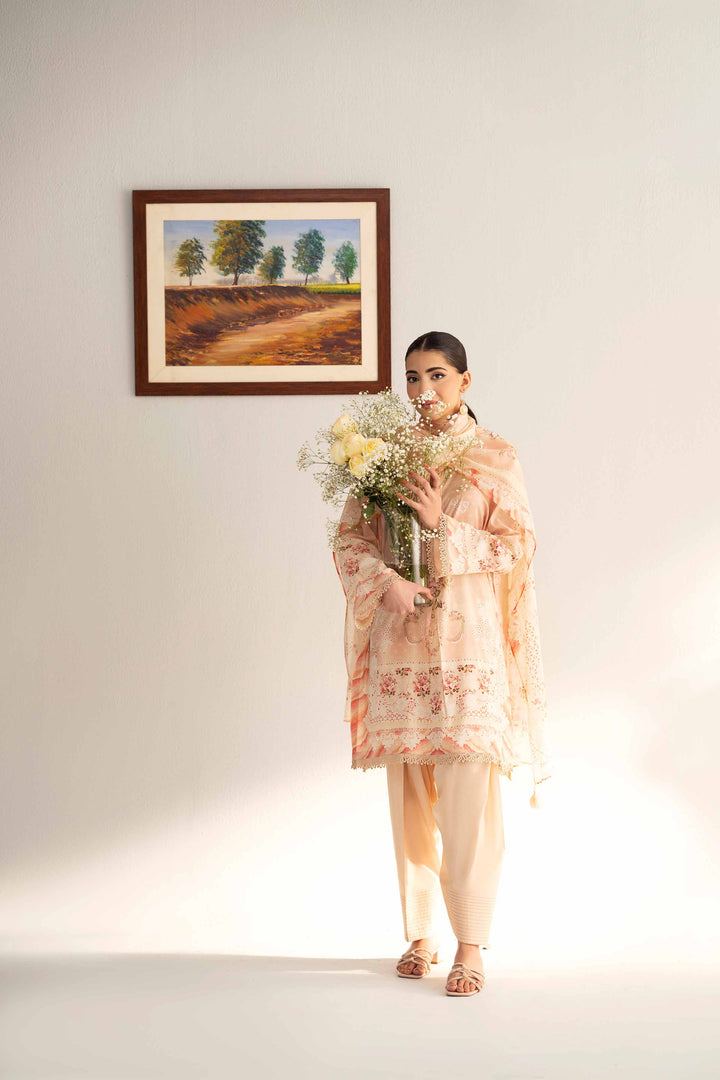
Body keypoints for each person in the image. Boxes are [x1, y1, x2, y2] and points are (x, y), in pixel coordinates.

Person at [332, 331, 552, 998]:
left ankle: (471, 945)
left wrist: (440, 527)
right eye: (412, 377)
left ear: (464, 381)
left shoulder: (494, 457)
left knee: (468, 803)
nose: (423, 389)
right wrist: (385, 583)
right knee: (410, 801)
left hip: (468, 654)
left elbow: (516, 547)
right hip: (401, 649)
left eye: (435, 375)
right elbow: (349, 538)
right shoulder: (381, 454)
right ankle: (421, 934)